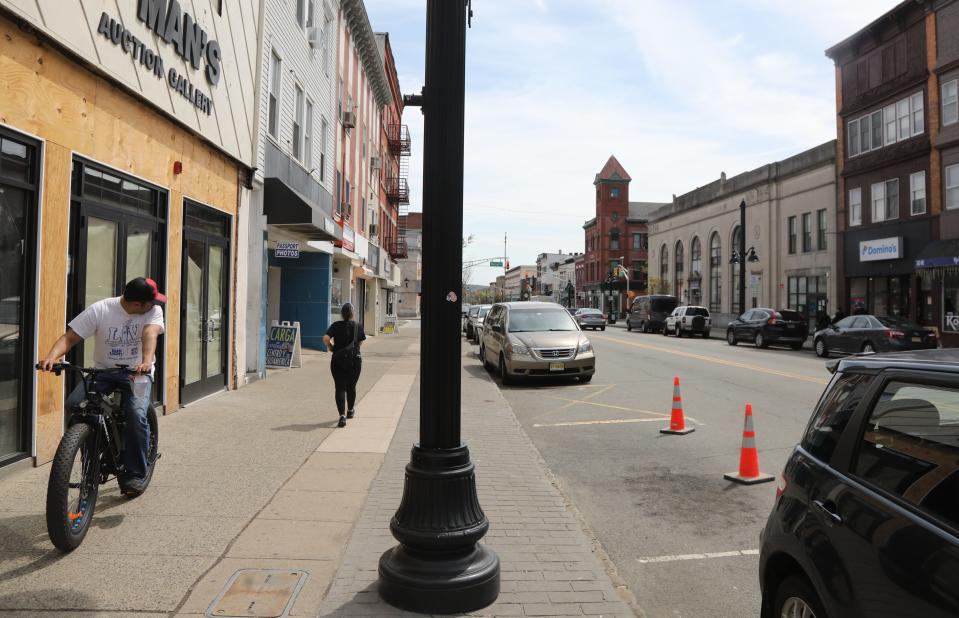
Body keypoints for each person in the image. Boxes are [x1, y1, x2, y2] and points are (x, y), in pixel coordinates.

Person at [38, 277, 166, 497]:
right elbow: (70, 338)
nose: (155, 304)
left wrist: (146, 361)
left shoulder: (152, 311)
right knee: (74, 404)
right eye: (150, 302)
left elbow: (149, 334)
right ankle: (91, 452)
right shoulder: (102, 309)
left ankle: (136, 473)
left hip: (138, 373)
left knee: (136, 414)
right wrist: (51, 357)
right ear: (136, 304)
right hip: (104, 372)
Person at [323, 303, 366, 428]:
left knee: (340, 387)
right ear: (353, 313)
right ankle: (350, 410)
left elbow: (325, 338)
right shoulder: (358, 326)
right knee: (351, 386)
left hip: (337, 360)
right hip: (355, 361)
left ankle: (342, 416)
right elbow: (361, 341)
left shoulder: (335, 325)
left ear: (341, 314)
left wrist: (331, 348)